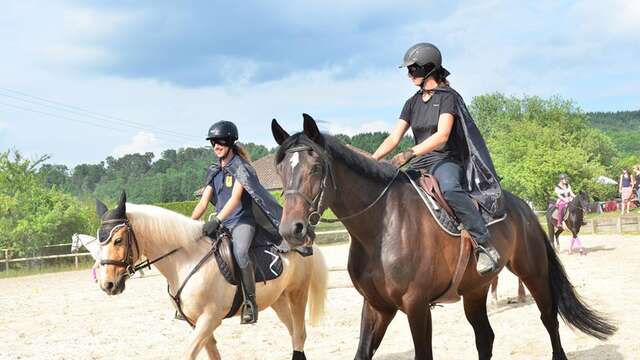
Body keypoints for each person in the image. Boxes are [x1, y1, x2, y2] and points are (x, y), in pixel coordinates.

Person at [372, 42, 504, 275]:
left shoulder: (447, 98)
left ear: (429, 69)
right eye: (408, 70)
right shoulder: (411, 103)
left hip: (446, 160)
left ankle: (484, 245)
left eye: (413, 69)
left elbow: (442, 136)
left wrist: (411, 152)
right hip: (420, 163)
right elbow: (394, 138)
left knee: (451, 190)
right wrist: (372, 161)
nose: (409, 75)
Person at [192, 120, 284, 324]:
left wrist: (216, 219)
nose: (216, 145)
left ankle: (250, 303)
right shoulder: (214, 171)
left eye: (220, 141)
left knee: (241, 252)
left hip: (242, 222)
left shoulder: (241, 168)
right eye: (213, 142)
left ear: (231, 142)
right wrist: (188, 223)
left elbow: (235, 200)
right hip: (223, 224)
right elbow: (203, 202)